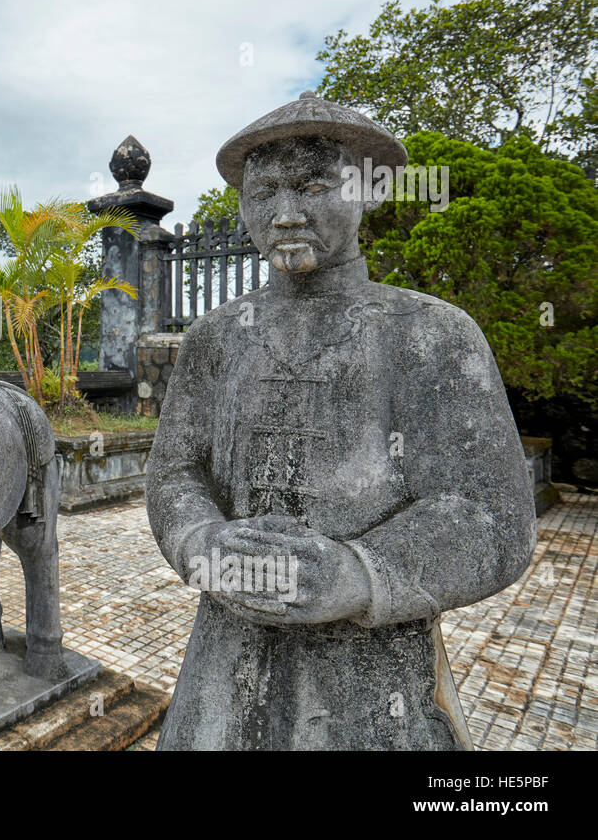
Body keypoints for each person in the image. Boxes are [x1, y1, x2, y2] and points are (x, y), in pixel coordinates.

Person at [147, 91, 536, 749]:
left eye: (314, 185)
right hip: (221, 663)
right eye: (263, 190)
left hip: (374, 683)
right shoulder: (214, 338)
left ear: (368, 190)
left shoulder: (433, 334)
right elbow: (175, 474)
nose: (286, 212)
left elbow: (492, 515)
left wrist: (359, 573)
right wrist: (200, 545)